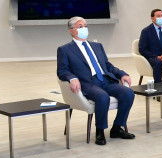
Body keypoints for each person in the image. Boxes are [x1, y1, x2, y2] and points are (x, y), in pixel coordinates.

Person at [57, 16, 136, 145]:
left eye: (85, 26)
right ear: (71, 31)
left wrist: (122, 74)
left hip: (105, 80)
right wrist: (72, 78)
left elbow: (107, 66)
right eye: (80, 27)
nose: (84, 29)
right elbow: (62, 70)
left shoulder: (97, 46)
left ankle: (117, 128)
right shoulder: (65, 50)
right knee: (102, 97)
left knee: (128, 93)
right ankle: (100, 131)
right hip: (88, 83)